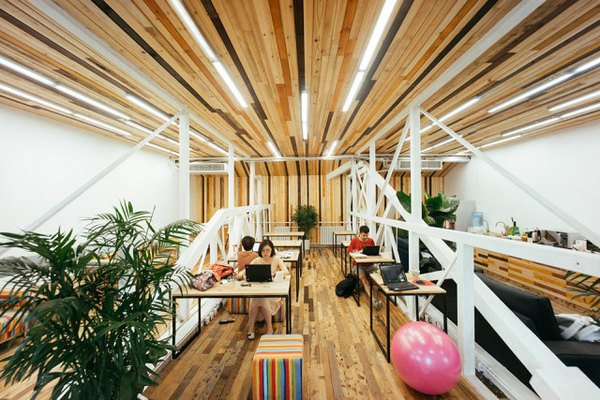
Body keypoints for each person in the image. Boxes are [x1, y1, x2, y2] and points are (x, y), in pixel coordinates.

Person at [245, 239, 289, 340]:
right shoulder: (257, 260)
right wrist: (241, 273)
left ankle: (257, 328)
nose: (265, 253)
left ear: (272, 250)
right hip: (260, 289)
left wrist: (274, 273)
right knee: (258, 296)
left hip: (273, 292)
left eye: (268, 250)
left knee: (260, 297)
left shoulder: (276, 259)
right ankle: (263, 328)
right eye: (263, 250)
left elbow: (286, 272)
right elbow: (247, 269)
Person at [348, 225, 382, 310]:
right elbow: (349, 253)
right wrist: (359, 252)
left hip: (369, 265)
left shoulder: (371, 241)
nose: (365, 237)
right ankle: (373, 300)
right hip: (358, 265)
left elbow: (373, 252)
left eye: (367, 235)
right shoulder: (354, 240)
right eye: (364, 235)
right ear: (359, 233)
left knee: (381, 276)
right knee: (364, 279)